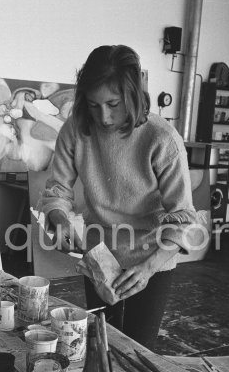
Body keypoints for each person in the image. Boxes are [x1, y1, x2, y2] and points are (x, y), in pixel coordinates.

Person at [41, 45, 196, 349]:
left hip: (152, 256)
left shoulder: (162, 138)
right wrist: (58, 218)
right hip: (100, 252)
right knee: (101, 342)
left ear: (133, 95)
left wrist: (149, 268)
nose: (104, 117)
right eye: (94, 104)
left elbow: (183, 218)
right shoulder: (76, 129)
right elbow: (57, 189)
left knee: (138, 349)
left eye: (113, 104)